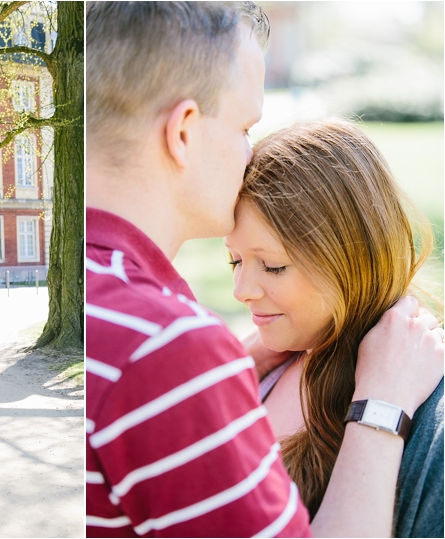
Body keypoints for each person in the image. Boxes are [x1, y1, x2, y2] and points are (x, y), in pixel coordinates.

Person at [85, 2, 443, 537]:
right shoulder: (164, 352)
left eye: (272, 265)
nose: (240, 289)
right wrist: (382, 410)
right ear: (183, 131)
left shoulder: (102, 299)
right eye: (245, 126)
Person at [224, 119, 443, 537]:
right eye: (234, 260)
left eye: (272, 265)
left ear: (349, 258)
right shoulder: (266, 366)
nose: (241, 290)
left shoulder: (429, 425)